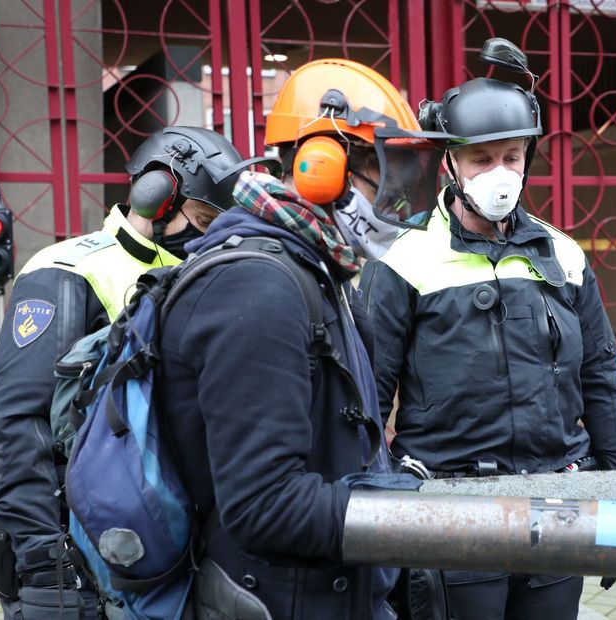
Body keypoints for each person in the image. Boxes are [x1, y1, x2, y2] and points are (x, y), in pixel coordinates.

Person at [152, 58, 438, 618]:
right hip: (283, 599)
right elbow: (264, 504)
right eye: (387, 174)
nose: (399, 205)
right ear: (319, 162)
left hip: (326, 591)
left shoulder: (314, 269)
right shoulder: (256, 288)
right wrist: (409, 512)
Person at [360, 70, 616, 618]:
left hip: (556, 507)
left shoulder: (563, 256)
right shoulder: (403, 259)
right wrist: (381, 523)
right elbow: (367, 401)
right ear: (452, 163)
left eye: (511, 157)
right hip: (451, 512)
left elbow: (601, 380)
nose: (499, 173)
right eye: (482, 159)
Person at [0, 126, 248, 619]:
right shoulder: (69, 270)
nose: (209, 232)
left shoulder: (209, 276)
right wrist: (46, 562)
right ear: (157, 197)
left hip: (165, 560)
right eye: (202, 217)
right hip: (76, 567)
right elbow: (16, 423)